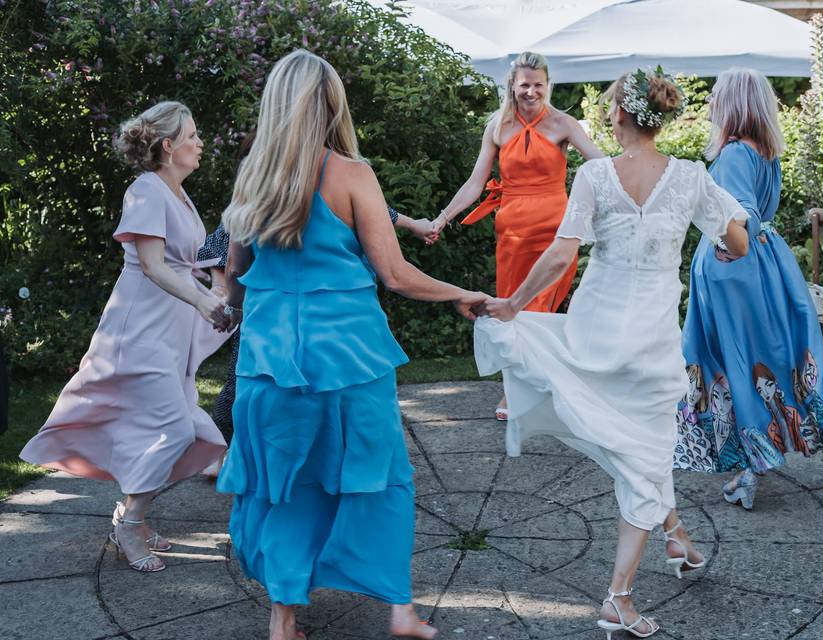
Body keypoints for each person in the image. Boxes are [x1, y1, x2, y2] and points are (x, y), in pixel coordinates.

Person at [215, 50, 487, 640]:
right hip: (349, 362)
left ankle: (283, 619)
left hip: (268, 365)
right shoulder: (352, 174)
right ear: (331, 103)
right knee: (379, 476)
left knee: (283, 484)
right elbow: (395, 274)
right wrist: (460, 291)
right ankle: (400, 612)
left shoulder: (251, 178)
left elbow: (235, 277)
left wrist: (231, 307)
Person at [475, 68, 750, 639]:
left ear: (618, 116)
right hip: (649, 342)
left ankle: (672, 539)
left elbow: (559, 257)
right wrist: (722, 251)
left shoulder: (595, 176)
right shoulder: (692, 177)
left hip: (595, 335)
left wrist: (515, 303)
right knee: (647, 453)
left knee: (639, 450)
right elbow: (737, 239)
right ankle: (618, 599)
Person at [19, 101, 231, 573]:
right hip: (141, 328)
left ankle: (134, 515)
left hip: (172, 328)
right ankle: (129, 522)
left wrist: (216, 293)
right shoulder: (146, 190)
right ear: (168, 145)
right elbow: (154, 266)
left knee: (170, 428)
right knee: (176, 428)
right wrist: (201, 301)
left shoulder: (179, 193)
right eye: (193, 135)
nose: (201, 143)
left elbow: (185, 264)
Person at [674, 68, 823, 510]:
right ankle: (753, 456)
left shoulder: (736, 152)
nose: (712, 100)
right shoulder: (764, 151)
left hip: (735, 275)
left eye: (717, 94)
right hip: (765, 263)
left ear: (733, 103)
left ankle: (751, 462)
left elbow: (744, 217)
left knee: (732, 361)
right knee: (758, 360)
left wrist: (722, 249)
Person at [198, 133, 438, 444]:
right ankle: (227, 449)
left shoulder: (320, 179)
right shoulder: (263, 186)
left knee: (282, 393)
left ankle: (251, 453)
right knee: (248, 390)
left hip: (284, 311)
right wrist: (228, 298)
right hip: (273, 308)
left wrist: (412, 223)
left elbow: (377, 212)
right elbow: (227, 257)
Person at [432, 51, 604, 421]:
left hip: (556, 232)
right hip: (511, 233)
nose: (531, 92)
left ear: (547, 85)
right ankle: (517, 389)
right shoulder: (497, 127)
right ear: (512, 85)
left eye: (538, 84)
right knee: (512, 310)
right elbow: (475, 183)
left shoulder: (564, 124)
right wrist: (443, 217)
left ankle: (530, 390)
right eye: (524, 84)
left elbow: (602, 166)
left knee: (539, 308)